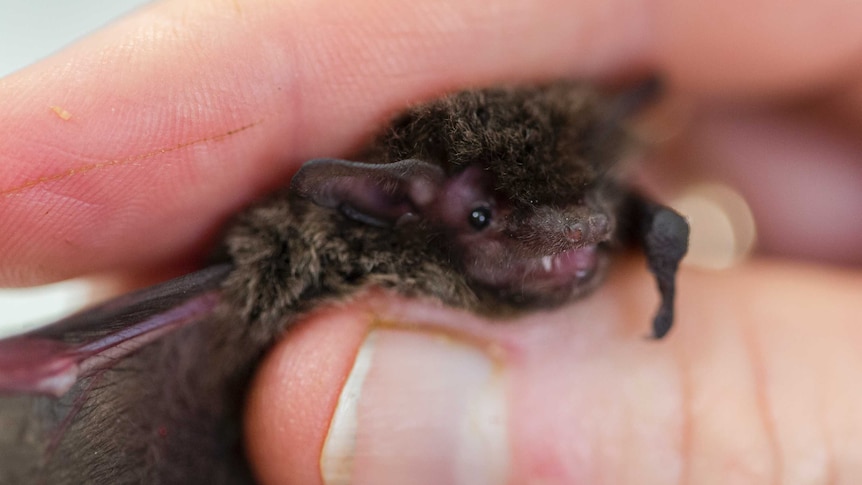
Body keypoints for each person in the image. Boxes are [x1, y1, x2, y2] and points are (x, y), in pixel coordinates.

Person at [2, 0, 860, 483]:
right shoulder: (293, 270)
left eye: (585, 214)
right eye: (483, 218)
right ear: (385, 203)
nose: (568, 250)